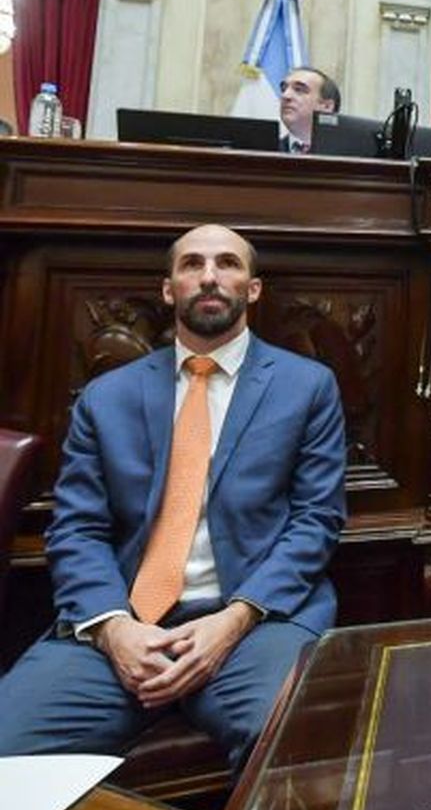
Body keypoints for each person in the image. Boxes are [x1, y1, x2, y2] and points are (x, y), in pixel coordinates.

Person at [0, 224, 348, 771]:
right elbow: (76, 529)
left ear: (253, 290)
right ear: (169, 290)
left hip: (254, 625)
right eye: (192, 264)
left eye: (228, 263)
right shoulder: (106, 397)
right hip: (124, 623)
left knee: (291, 747)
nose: (210, 276)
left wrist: (232, 621)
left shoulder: (307, 387)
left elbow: (317, 521)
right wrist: (115, 629)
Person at [278, 66, 341, 153]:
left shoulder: (351, 155)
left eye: (299, 90)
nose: (285, 96)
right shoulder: (265, 151)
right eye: (284, 89)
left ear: (326, 106)